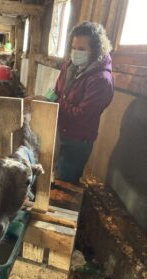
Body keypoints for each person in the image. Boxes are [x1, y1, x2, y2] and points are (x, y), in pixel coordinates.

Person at [53, 21, 114, 185]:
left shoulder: (101, 80)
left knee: (65, 183)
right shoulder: (70, 65)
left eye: (81, 49)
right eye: (73, 47)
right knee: (55, 175)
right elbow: (57, 90)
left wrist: (58, 103)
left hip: (77, 140)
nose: (75, 52)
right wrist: (45, 99)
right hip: (60, 130)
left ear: (95, 50)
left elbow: (82, 115)